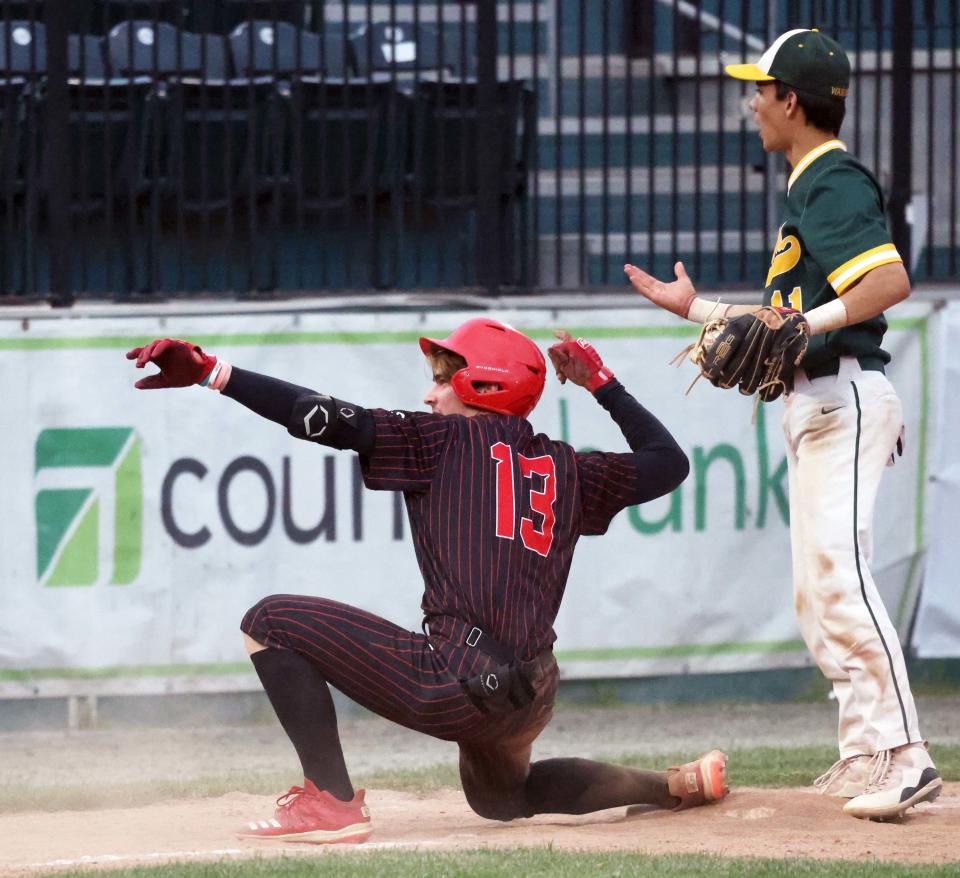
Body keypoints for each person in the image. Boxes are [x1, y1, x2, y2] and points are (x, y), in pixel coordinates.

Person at [126, 318, 728, 843]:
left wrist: (213, 372)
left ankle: (330, 801)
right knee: (500, 799)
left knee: (269, 621)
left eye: (443, 378)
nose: (430, 393)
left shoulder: (437, 440)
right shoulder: (568, 466)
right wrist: (602, 384)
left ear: (483, 384)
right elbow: (667, 463)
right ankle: (673, 785)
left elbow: (319, 417)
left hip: (455, 683)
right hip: (532, 693)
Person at [625, 29, 941, 821]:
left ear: (790, 100)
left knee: (841, 580)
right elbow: (779, 325)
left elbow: (889, 280)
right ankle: (865, 750)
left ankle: (906, 753)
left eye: (759, 89)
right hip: (823, 400)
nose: (751, 101)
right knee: (815, 591)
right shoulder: (809, 184)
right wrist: (694, 309)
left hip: (843, 396)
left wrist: (813, 325)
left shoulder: (831, 181)